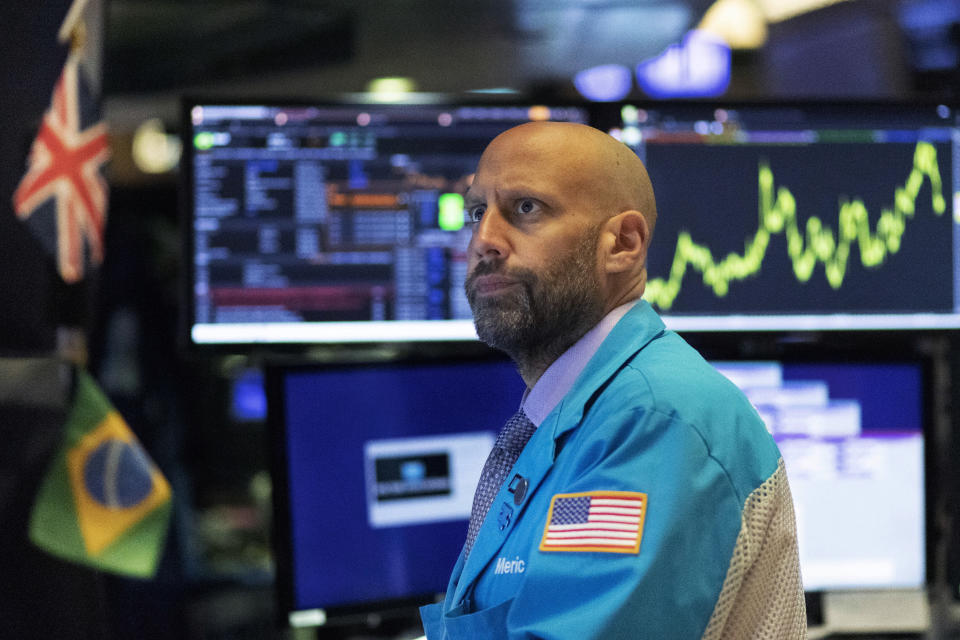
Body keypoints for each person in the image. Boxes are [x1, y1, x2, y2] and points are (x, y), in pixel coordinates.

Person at [418, 121, 807, 639]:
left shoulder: (655, 418)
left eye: (526, 208)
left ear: (623, 243)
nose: (484, 240)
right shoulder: (581, 413)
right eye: (476, 211)